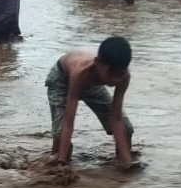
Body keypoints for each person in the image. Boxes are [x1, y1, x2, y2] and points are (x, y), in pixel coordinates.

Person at [45, 36, 135, 169]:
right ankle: (54, 166)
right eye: (111, 74)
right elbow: (69, 121)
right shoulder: (80, 72)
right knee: (60, 138)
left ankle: (121, 163)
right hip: (62, 81)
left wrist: (127, 162)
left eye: (120, 74)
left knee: (126, 128)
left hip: (93, 84)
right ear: (98, 63)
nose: (115, 80)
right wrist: (61, 162)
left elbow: (115, 118)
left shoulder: (123, 76)